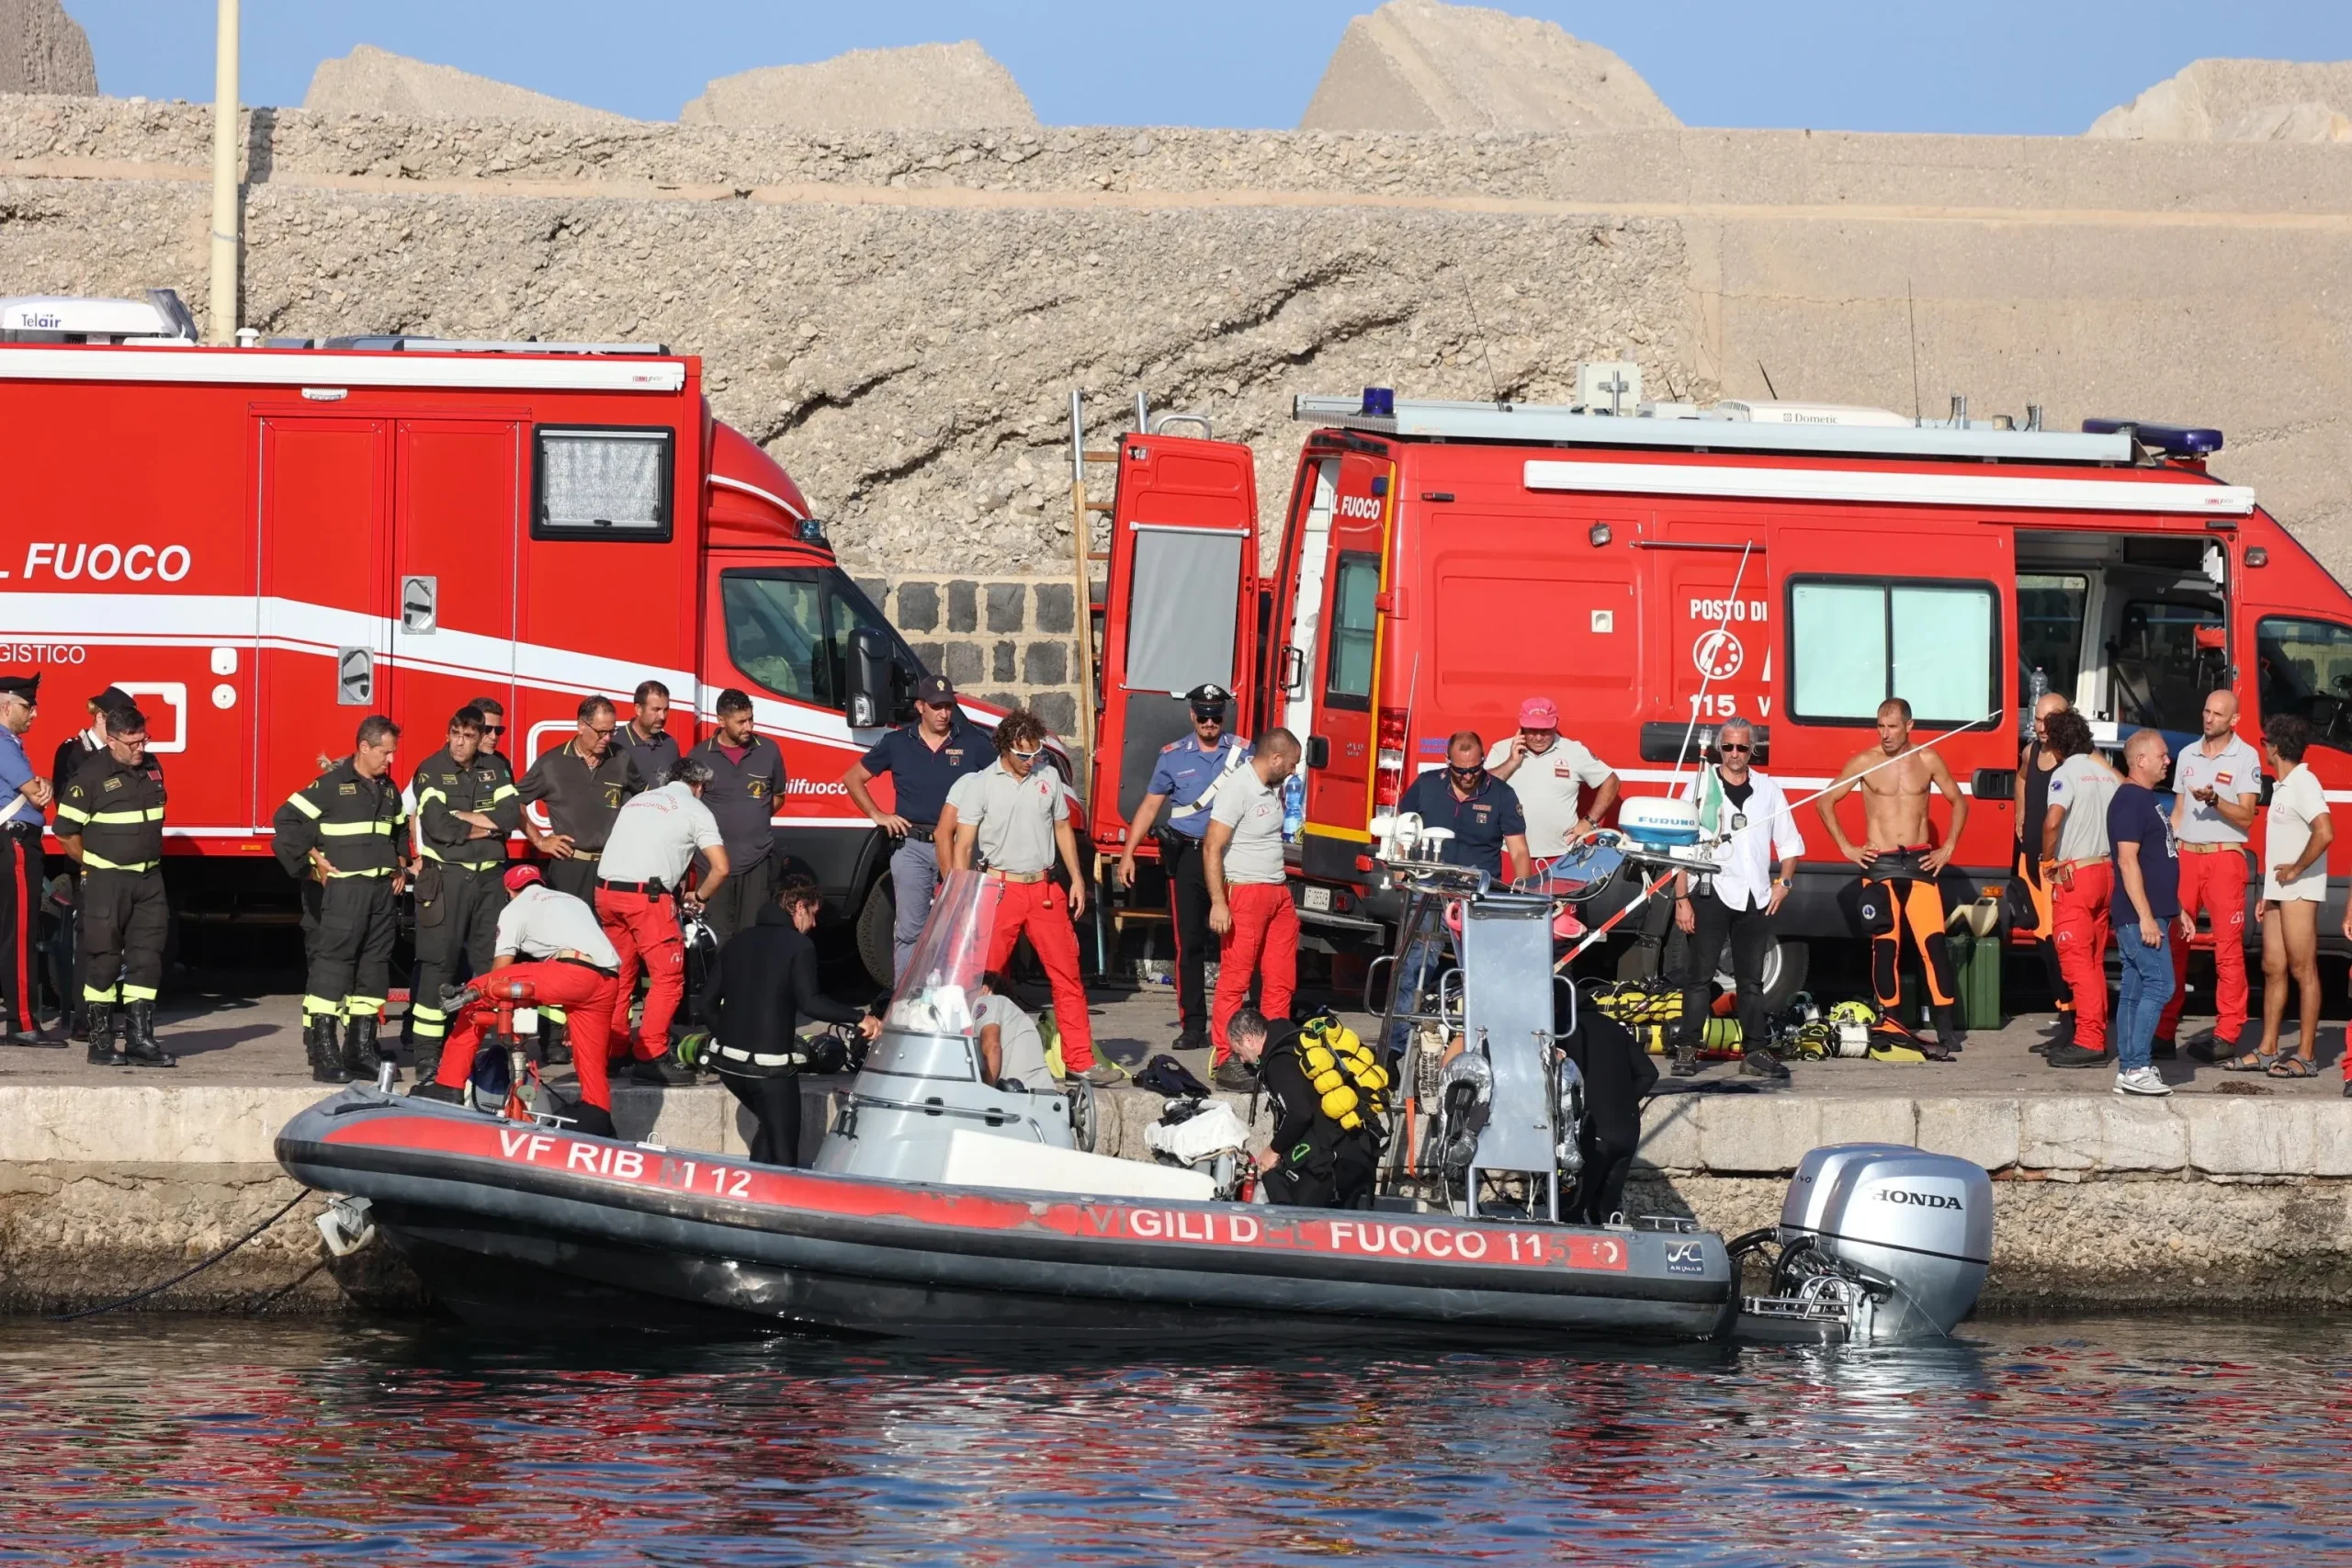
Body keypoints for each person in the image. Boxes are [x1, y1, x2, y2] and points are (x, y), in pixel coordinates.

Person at [943, 708, 1117, 1085]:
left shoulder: (1048, 776)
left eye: (1035, 752)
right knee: (982, 979)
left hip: (1044, 889)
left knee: (1068, 974)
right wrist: (961, 893)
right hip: (998, 888)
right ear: (1005, 747)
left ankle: (1080, 1059)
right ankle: (968, 1055)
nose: (1030, 761)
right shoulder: (980, 784)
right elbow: (963, 843)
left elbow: (1063, 829)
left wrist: (1076, 878)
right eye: (1023, 754)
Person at [414, 863, 628, 1137]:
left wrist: (481, 996)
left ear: (510, 891)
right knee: (591, 1062)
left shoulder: (514, 908)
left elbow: (501, 971)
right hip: (607, 980)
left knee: (479, 992)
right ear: (540, 883)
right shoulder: (572, 901)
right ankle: (596, 1119)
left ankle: (447, 1086)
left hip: (570, 972)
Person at [1815, 698, 1970, 1058]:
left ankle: (1945, 1029)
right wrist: (1848, 848)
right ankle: (1892, 1024)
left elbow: (1959, 801)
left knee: (1934, 948)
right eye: (1880, 726)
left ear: (1909, 726)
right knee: (1887, 950)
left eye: (1892, 727)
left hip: (1918, 863)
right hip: (1881, 865)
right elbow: (1825, 801)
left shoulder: (1928, 759)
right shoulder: (1865, 762)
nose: (1885, 734)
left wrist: (1947, 847)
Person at [701, 874, 883, 1165]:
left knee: (770, 1127)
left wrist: (727, 1038)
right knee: (785, 1152)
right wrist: (860, 1017)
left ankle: (754, 1189)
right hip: (770, 1072)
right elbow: (811, 1003)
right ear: (799, 907)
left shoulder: (738, 941)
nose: (814, 924)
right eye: (813, 914)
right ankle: (779, 1199)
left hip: (728, 1068)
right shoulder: (799, 946)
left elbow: (706, 1004)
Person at [1114, 683, 1250, 1053]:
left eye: (1216, 715)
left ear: (1224, 715)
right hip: (1189, 856)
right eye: (1203, 715)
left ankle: (1237, 1023)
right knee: (1188, 943)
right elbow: (1149, 805)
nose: (1209, 722)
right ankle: (1193, 1024)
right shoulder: (1172, 756)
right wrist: (1128, 852)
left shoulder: (1244, 753)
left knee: (1236, 941)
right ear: (1192, 715)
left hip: (1231, 855)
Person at [272, 716, 408, 1083]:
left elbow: (398, 828)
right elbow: (285, 820)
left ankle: (360, 1051)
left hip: (380, 893)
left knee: (373, 969)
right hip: (343, 891)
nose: (390, 760)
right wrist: (311, 859)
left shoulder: (389, 788)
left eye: (393, 753)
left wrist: (400, 862)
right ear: (364, 747)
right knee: (332, 970)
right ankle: (325, 1052)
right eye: (385, 752)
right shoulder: (330, 786)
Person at [1669, 716, 1802, 1079]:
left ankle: (1755, 1051)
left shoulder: (1770, 790)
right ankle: (1688, 1048)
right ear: (1719, 748)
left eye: (1742, 747)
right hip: (1710, 892)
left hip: (1755, 895)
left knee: (1751, 980)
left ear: (1752, 750)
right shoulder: (1700, 786)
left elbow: (1790, 844)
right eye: (1727, 746)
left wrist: (1783, 884)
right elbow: (1679, 846)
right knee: (1699, 975)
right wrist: (1682, 899)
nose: (1734, 754)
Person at [1386, 731, 1531, 1053]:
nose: (1467, 777)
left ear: (1483, 763)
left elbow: (1519, 852)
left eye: (1474, 770)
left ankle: (1485, 1045)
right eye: (1459, 770)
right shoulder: (1426, 785)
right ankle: (1396, 1048)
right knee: (1413, 969)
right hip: (1429, 893)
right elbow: (1402, 826)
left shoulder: (1503, 794)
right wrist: (1399, 861)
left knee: (1482, 974)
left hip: (1477, 898)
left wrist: (1522, 891)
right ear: (1448, 762)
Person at [842, 673, 989, 980]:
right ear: (921, 706)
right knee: (910, 930)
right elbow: (852, 778)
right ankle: (906, 1002)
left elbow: (1001, 780)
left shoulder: (973, 743)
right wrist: (878, 814)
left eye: (948, 705)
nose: (944, 713)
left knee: (967, 925)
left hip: (961, 844)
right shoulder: (897, 743)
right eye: (936, 706)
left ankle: (964, 996)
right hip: (913, 845)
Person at [596, 755, 729, 1083]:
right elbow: (721, 867)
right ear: (699, 786)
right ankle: (651, 1055)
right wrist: (699, 898)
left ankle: (613, 1052)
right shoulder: (695, 809)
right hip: (648, 898)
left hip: (606, 893)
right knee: (668, 980)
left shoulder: (638, 801)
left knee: (620, 977)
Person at [406, 707, 522, 1082]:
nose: (459, 742)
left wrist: (467, 819)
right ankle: (426, 1054)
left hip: (489, 881)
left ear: (479, 738)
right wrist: (486, 829)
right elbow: (438, 827)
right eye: (454, 733)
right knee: (437, 964)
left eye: (468, 736)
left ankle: (472, 1045)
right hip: (446, 879)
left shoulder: (496, 768)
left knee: (487, 967)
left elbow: (509, 816)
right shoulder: (430, 769)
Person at [54, 704, 172, 1067]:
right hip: (107, 881)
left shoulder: (152, 768)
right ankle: (100, 1041)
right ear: (111, 739)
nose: (141, 748)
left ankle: (140, 1040)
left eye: (144, 740)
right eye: (132, 742)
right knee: (104, 960)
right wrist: (93, 865)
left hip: (149, 880)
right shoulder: (90, 776)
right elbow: (65, 832)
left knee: (146, 960)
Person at [2165, 689, 2263, 1063]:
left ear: (2234, 720)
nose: (2209, 719)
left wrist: (2214, 801)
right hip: (2187, 855)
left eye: (2218, 714)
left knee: (2227, 949)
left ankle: (2227, 1032)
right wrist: (2167, 853)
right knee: (2173, 943)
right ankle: (2163, 1029)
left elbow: (2247, 816)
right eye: (2206, 711)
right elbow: (2177, 812)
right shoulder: (2187, 754)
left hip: (2224, 858)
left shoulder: (2246, 756)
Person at [1204, 729, 1303, 1089]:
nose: (1293, 771)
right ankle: (1227, 1058)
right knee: (1235, 980)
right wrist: (1218, 902)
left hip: (1276, 891)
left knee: (1280, 982)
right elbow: (1212, 845)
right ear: (1275, 759)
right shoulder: (1239, 787)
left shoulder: (1271, 788)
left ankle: (1273, 1052)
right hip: (1244, 893)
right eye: (1291, 764)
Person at [1227, 1007, 1379, 1209]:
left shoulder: (1278, 1063)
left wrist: (1273, 1150)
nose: (1241, 1059)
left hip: (1335, 1159)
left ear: (1248, 1040)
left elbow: (1299, 1114)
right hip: (1357, 1147)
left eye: (1239, 1052)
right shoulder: (1293, 1040)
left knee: (1280, 1190)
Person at [2249, 715, 2332, 1078]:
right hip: (2278, 891)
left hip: (2298, 889)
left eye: (2267, 741)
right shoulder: (2284, 785)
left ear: (2277, 748)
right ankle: (2268, 1049)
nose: (2263, 746)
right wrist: (2268, 894)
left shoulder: (2303, 782)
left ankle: (2307, 1056)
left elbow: (2325, 831)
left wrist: (2296, 870)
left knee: (2303, 969)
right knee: (2272, 967)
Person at [2040, 710, 2123, 1070]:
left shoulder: (2065, 773)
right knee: (2094, 961)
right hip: (2107, 872)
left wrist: (2047, 861)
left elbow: (2053, 821)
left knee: (2077, 963)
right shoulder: (2108, 776)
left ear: (2057, 745)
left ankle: (2089, 1040)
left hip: (2077, 876)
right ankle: (2095, 1035)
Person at [48, 686, 130, 1043]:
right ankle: (85, 1018)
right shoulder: (74, 751)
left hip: (123, 858)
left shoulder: (122, 753)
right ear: (100, 718)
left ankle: (105, 1014)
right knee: (91, 939)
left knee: (115, 937)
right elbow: (69, 808)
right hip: (89, 857)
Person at [2107, 728, 2185, 1098]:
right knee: (2161, 984)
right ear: (2141, 760)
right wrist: (2146, 917)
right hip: (2139, 917)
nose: (2168, 760)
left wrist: (2176, 909)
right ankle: (2136, 1065)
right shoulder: (2129, 801)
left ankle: (2129, 1069)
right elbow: (2127, 860)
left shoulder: (2146, 799)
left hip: (2155, 913)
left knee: (2136, 991)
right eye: (2163, 755)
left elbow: (2158, 860)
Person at [519, 695, 640, 900]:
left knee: (607, 933)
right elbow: (514, 801)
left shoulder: (621, 758)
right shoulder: (552, 764)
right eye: (601, 732)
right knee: (568, 930)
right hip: (570, 868)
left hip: (613, 867)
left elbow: (645, 797)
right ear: (581, 726)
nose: (608, 738)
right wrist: (539, 840)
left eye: (612, 731)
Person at [690, 689, 786, 945]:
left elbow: (777, 797)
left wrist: (751, 821)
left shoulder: (769, 750)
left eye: (751, 719)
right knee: (716, 938)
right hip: (712, 864)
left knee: (752, 938)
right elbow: (689, 807)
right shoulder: (699, 755)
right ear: (721, 720)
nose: (749, 726)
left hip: (756, 861)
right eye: (741, 721)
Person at [1486, 696, 1620, 862]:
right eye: (1532, 730)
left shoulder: (1573, 750)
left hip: (1562, 854)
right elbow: (1483, 788)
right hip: (1509, 853)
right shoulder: (1501, 749)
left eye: (1545, 730)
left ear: (1555, 724)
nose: (1539, 737)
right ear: (1522, 726)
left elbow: (1611, 781)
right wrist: (1511, 762)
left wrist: (1589, 822)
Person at [2015, 692, 2076, 1050]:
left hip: (2059, 869)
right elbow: (2022, 779)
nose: (2039, 728)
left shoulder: (2074, 759)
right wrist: (2021, 813)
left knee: (2062, 949)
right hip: (2031, 865)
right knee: (2044, 946)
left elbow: (2112, 782)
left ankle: (2076, 1027)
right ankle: (2066, 1022)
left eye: (2047, 721)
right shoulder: (2031, 752)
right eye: (2036, 719)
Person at [0, 673, 55, 1048]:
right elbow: (37, 795)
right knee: (19, 936)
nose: (33, 713)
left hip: (15, 840)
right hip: (16, 842)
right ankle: (22, 1022)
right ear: (5, 705)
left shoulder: (10, 744)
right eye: (26, 706)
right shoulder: (4, 744)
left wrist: (41, 787)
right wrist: (41, 787)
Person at [974, 970, 1056, 1092]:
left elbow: (992, 1048)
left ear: (984, 990)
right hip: (1039, 1093)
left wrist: (984, 1093)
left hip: (1019, 1097)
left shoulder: (986, 1001)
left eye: (968, 992)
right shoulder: (1011, 1012)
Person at [616, 681, 681, 789]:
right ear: (638, 709)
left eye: (666, 710)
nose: (662, 716)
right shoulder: (617, 743)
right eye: (656, 710)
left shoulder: (670, 745)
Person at [468, 696, 513, 780]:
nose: (494, 737)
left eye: (498, 730)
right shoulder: (447, 762)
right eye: (487, 729)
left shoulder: (502, 762)